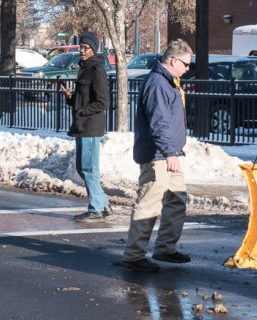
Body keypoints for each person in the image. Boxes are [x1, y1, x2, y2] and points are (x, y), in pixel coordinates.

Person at [122, 39, 193, 273]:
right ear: (173, 60)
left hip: (168, 153)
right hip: (158, 155)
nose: (187, 69)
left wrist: (173, 151)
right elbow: (159, 121)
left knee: (177, 199)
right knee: (149, 204)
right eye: (185, 64)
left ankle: (165, 248)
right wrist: (169, 151)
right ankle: (134, 255)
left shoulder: (168, 81)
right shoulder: (157, 83)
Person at [59, 31, 114, 222]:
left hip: (91, 126)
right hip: (82, 125)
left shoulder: (96, 69)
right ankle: (104, 203)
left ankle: (96, 209)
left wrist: (82, 111)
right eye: (80, 47)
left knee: (89, 168)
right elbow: (84, 97)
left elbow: (103, 101)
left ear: (93, 49)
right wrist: (71, 97)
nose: (81, 51)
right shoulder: (85, 67)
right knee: (83, 168)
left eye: (85, 48)